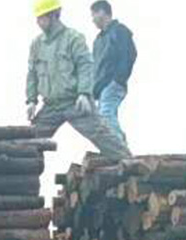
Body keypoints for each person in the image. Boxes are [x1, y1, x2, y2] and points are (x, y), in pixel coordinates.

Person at [26, 0, 131, 159]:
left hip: (75, 102)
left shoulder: (73, 38)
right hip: (51, 106)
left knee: (104, 137)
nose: (38, 22)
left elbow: (85, 66)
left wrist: (84, 93)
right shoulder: (36, 45)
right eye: (37, 18)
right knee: (30, 142)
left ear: (54, 15)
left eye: (42, 17)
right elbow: (32, 74)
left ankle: (131, 164)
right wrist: (31, 101)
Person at [91, 1, 137, 142]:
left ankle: (119, 147)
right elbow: (96, 66)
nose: (92, 19)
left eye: (93, 15)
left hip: (113, 83)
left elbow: (130, 54)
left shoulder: (119, 30)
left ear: (102, 12)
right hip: (102, 87)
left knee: (105, 114)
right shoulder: (98, 40)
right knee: (104, 117)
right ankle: (115, 146)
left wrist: (119, 78)